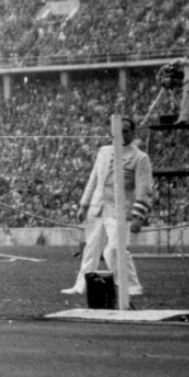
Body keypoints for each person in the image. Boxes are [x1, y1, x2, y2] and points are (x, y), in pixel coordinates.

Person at [62, 115, 152, 299]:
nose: (121, 135)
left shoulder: (140, 158)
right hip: (97, 208)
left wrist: (138, 217)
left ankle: (132, 285)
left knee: (114, 249)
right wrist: (84, 205)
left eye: (125, 131)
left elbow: (144, 189)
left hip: (119, 211)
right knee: (91, 250)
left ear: (133, 133)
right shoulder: (104, 151)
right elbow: (93, 179)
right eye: (117, 131)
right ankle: (82, 285)